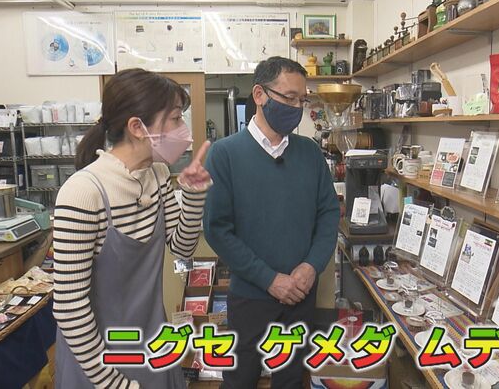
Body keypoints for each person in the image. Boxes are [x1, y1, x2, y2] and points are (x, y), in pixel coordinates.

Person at [53, 68, 212, 388]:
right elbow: (70, 308)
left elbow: (182, 248)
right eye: (176, 119)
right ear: (137, 127)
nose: (184, 130)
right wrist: (114, 383)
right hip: (96, 362)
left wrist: (194, 195)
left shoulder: (158, 176)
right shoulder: (83, 192)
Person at [204, 57, 340, 388]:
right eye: (289, 98)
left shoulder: (310, 153)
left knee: (292, 380)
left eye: (302, 100)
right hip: (250, 297)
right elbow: (217, 230)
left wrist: (311, 266)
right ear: (259, 95)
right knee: (240, 379)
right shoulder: (225, 154)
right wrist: (269, 279)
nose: (297, 108)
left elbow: (328, 214)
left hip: (301, 295)